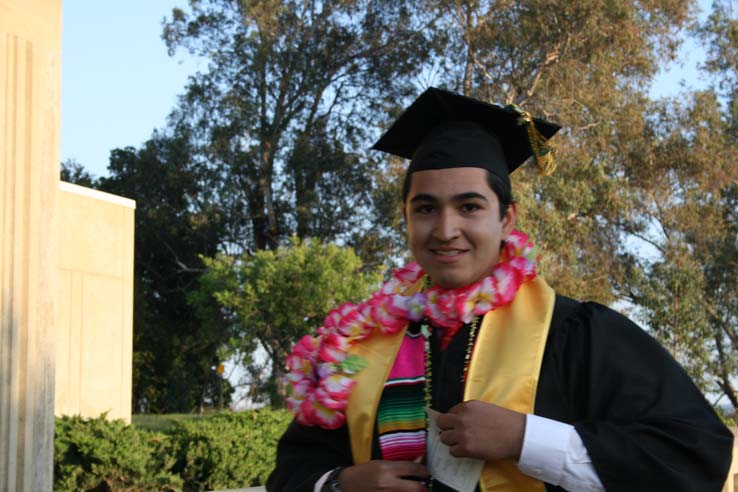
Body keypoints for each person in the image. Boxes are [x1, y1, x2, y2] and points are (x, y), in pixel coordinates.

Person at [266, 87, 733, 492]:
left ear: (506, 217)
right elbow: (292, 470)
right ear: (405, 217)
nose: (446, 230)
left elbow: (693, 457)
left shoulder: (574, 334)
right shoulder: (361, 348)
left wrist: (527, 439)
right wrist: (341, 484)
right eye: (425, 208)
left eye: (469, 206)